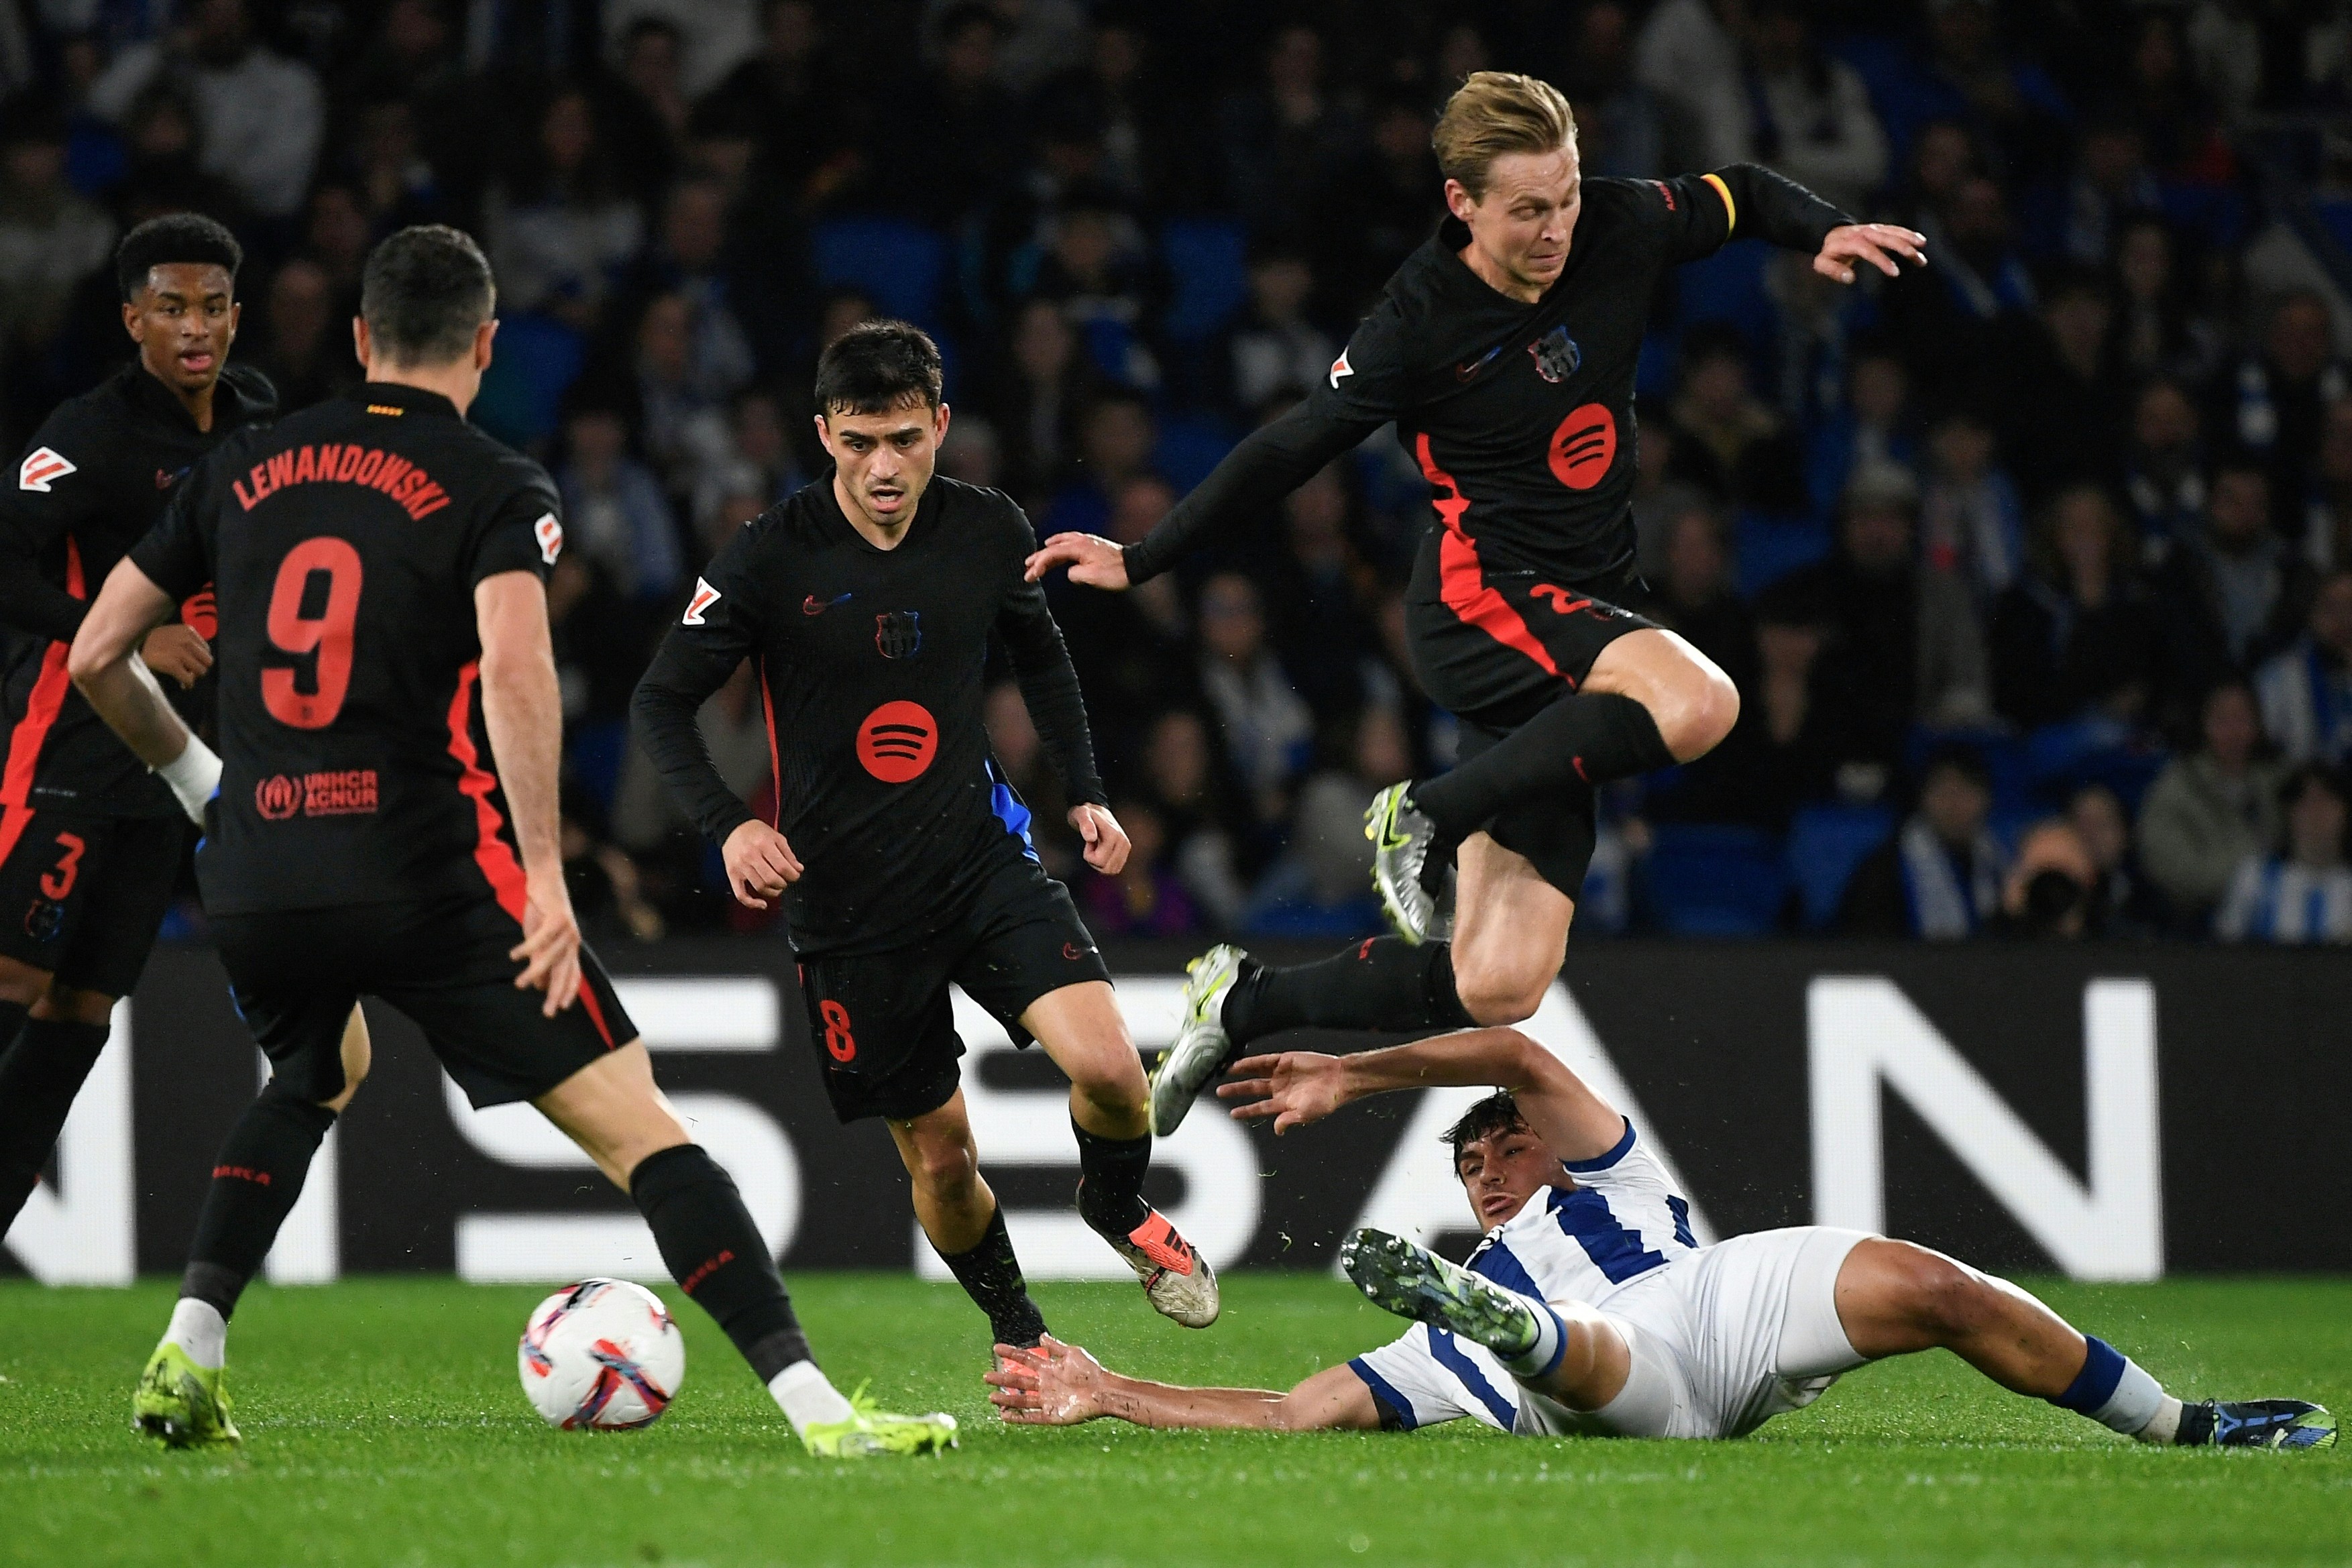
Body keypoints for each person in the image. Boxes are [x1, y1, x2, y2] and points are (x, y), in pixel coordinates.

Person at [67, 225, 951, 1461]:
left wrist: (199, 780)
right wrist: (544, 875)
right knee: (646, 1131)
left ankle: (191, 1348)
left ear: (363, 337)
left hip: (258, 867)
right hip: (423, 866)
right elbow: (517, 677)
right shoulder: (490, 480)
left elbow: (96, 652)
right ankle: (819, 1410)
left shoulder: (243, 460)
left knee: (317, 1073)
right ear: (486, 344)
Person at [1028, 72, 1927, 1129]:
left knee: (1499, 982)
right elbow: (1288, 447)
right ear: (1460, 203)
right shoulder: (1418, 318)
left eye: (1567, 194)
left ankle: (1248, 999)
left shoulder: (1618, 224)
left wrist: (1817, 229)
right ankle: (1421, 815)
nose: (1556, 227)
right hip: (1483, 600)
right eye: (1527, 209)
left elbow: (1733, 194)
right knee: (1701, 702)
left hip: (1584, 619)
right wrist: (1143, 557)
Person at [631, 321, 1218, 1353]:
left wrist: (1083, 791)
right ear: (822, 435)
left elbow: (1040, 658)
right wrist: (727, 826)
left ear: (939, 425)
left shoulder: (988, 528)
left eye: (902, 438)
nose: (882, 467)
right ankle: (1021, 1332)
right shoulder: (769, 554)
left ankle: (1116, 1207)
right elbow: (658, 703)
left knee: (1116, 1073)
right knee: (942, 1159)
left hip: (978, 860)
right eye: (857, 443)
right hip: (849, 904)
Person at [987, 1026, 2335, 1453]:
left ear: (1546, 1145)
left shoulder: (1621, 1179)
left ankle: (2186, 1427)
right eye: (1469, 1156)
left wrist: (1362, 1070)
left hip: (1719, 1298)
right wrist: (1108, 1387)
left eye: (1505, 1138)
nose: (1493, 1156)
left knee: (1934, 1280)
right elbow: (1287, 1408)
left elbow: (1513, 1044)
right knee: (1573, 1351)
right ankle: (1513, 1334)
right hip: (1609, 1383)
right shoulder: (1433, 1328)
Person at [0, 215, 272, 1237]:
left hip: (171, 767)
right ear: (132, 320)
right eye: (171, 308)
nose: (194, 327)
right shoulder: (91, 429)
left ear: (238, 317)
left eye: (211, 307)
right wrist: (123, 632)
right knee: (15, 978)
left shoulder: (257, 421)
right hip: (67, 744)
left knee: (78, 1015)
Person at [2215, 764, 2352, 944]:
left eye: (2326, 801)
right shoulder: (2255, 877)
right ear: (2289, 812)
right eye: (2305, 803)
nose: (2316, 813)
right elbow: (2224, 950)